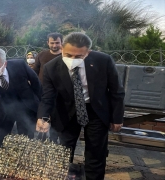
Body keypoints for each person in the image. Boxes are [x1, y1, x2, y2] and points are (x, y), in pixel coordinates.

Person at [36, 32, 124, 180]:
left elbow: (117, 90)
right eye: (68, 55)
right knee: (63, 152)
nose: (72, 60)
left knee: (96, 153)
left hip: (96, 111)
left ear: (87, 52)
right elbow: (47, 96)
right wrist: (42, 117)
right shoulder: (51, 67)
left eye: (78, 57)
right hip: (66, 112)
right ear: (62, 48)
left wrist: (117, 118)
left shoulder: (103, 61)